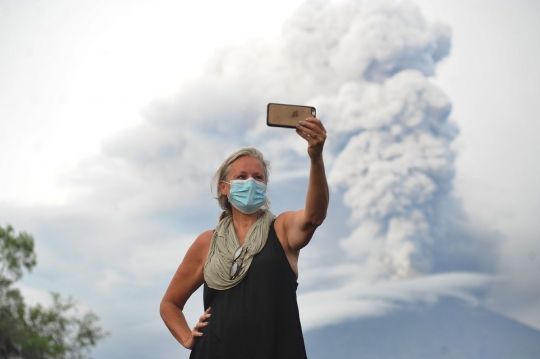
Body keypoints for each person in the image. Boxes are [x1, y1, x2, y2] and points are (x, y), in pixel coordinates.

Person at [160, 117, 329, 359]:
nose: (250, 182)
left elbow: (313, 217)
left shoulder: (281, 229)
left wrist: (316, 157)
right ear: (224, 187)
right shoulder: (206, 243)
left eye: (258, 178)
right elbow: (169, 304)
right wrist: (187, 337)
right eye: (241, 177)